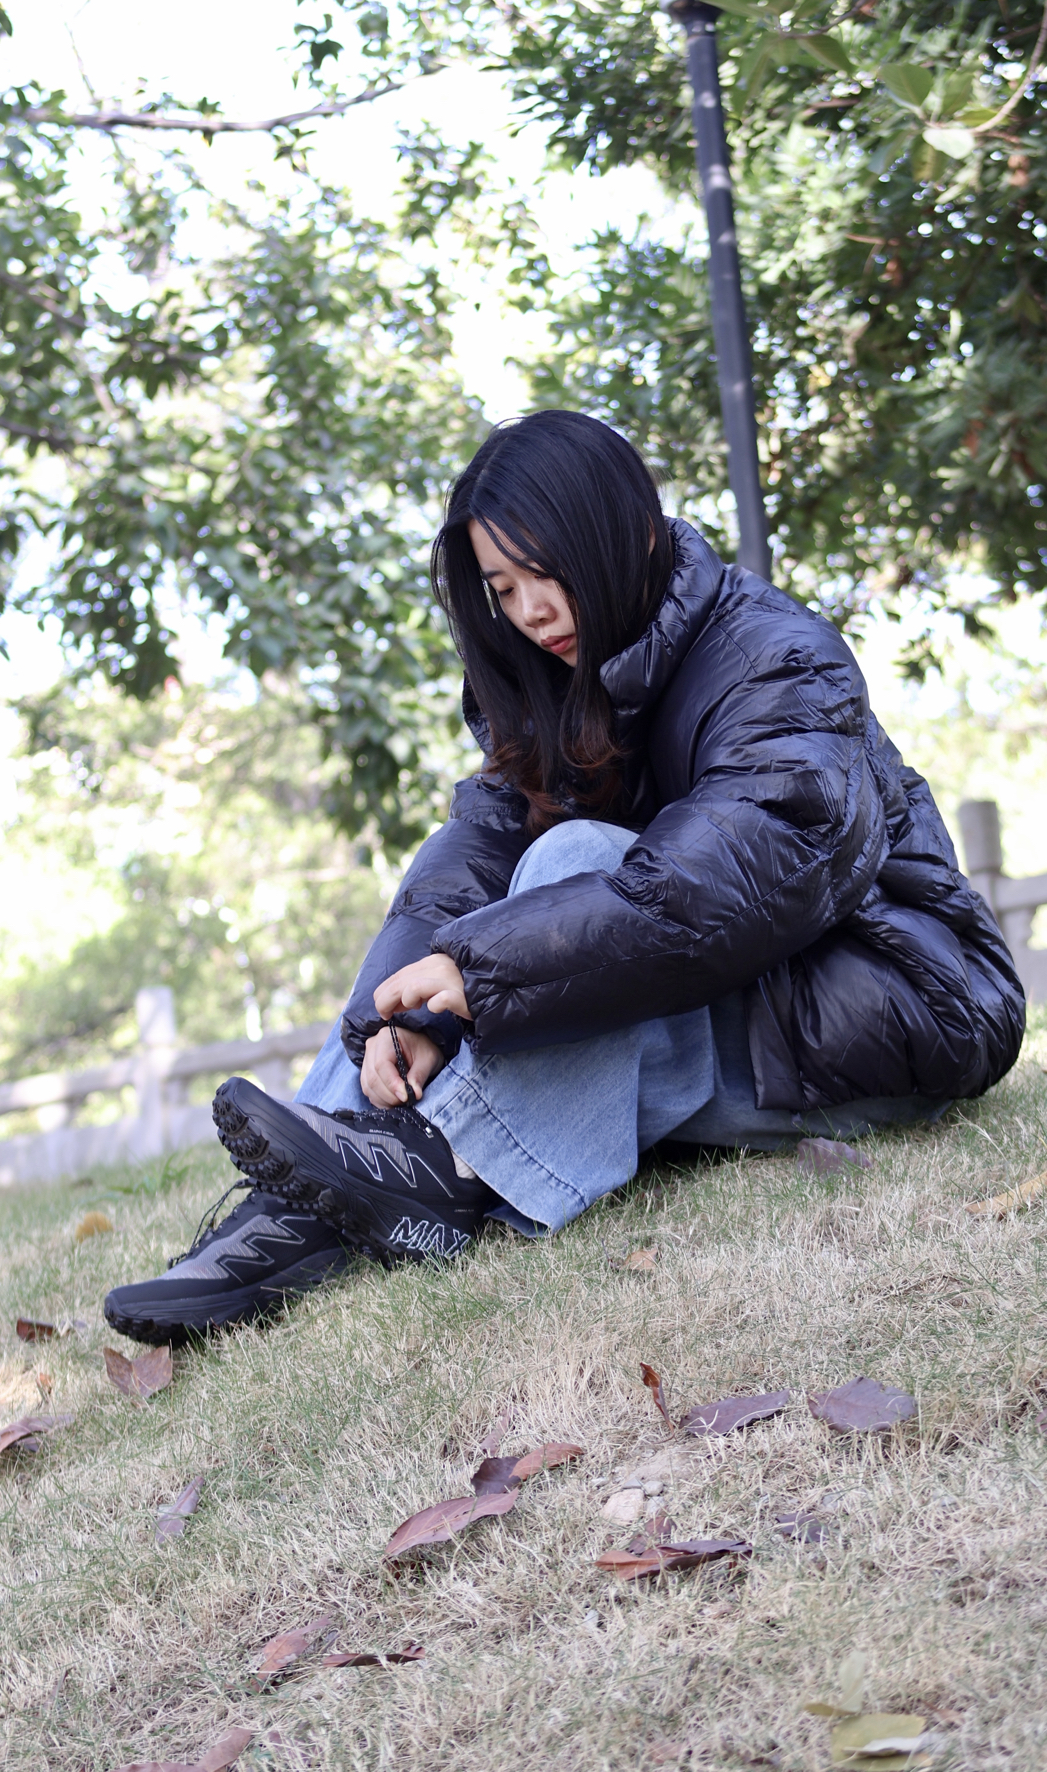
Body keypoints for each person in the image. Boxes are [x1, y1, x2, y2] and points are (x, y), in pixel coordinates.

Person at [104, 411, 1025, 1343]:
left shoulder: (778, 659)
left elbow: (720, 888)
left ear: (628, 535)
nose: (530, 611)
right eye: (502, 588)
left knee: (575, 861)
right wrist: (393, 1021)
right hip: (707, 1009)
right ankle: (287, 1216)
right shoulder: (559, 683)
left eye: (546, 573)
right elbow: (467, 862)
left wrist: (477, 974)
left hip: (872, 1022)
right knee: (487, 901)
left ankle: (442, 1169)